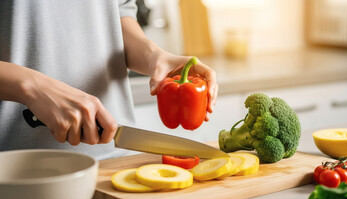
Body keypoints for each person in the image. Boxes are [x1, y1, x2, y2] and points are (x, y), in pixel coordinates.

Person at [0, 0, 218, 160]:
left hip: (115, 162)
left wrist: (153, 55)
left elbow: (116, 15)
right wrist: (30, 85)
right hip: (16, 170)